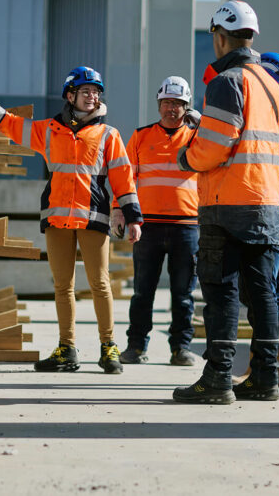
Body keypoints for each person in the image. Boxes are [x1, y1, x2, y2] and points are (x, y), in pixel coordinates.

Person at [0, 67, 142, 375]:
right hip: (57, 219)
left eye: (96, 92)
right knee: (63, 286)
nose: (93, 97)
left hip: (93, 218)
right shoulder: (48, 130)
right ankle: (67, 348)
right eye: (86, 91)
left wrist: (132, 217)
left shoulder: (108, 135)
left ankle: (108, 347)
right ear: (70, 95)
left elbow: (124, 178)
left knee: (100, 284)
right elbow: (10, 125)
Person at [172, 0, 279, 404]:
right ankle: (265, 378)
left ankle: (218, 378)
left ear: (219, 37)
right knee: (263, 293)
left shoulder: (226, 81)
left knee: (220, 290)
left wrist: (187, 156)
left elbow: (216, 145)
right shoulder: (272, 84)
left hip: (226, 202)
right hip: (265, 202)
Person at [114, 76, 201, 367]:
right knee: (142, 292)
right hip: (146, 226)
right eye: (166, 102)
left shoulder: (196, 137)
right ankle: (136, 347)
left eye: (177, 104)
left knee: (183, 294)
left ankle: (181, 349)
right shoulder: (141, 136)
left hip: (187, 227)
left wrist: (202, 125)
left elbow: (221, 149)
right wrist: (121, 212)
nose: (171, 109)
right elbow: (124, 178)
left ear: (186, 107)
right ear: (158, 104)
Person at [234, 52, 279, 387]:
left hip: (277, 210)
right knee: (274, 287)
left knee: (263, 288)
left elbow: (275, 174)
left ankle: (268, 365)